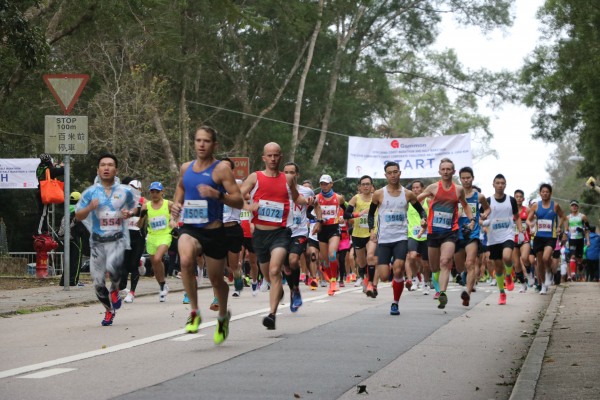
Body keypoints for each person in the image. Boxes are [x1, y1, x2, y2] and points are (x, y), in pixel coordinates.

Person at [171, 126, 242, 345]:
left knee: (216, 280)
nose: (201, 144)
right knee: (185, 260)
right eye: (198, 140)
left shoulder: (221, 170)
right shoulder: (186, 168)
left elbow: (239, 201)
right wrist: (176, 206)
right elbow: (180, 190)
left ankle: (222, 317)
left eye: (206, 141)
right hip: (190, 228)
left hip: (214, 232)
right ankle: (194, 312)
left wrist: (217, 195)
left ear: (214, 145)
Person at [239, 142, 302, 330]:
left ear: (280, 157)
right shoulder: (255, 177)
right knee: (268, 275)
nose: (273, 159)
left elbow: (297, 197)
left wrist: (309, 201)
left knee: (275, 271)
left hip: (280, 233)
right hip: (260, 235)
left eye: (276, 155)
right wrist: (248, 206)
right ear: (264, 158)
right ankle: (278, 290)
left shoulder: (288, 179)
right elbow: (237, 195)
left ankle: (272, 315)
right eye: (270, 155)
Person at [75, 153, 137, 326]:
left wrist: (129, 213)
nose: (106, 168)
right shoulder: (91, 193)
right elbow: (78, 216)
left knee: (114, 271)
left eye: (110, 165)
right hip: (97, 242)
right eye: (103, 165)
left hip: (117, 240)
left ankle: (115, 290)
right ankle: (109, 310)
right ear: (98, 170)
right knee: (97, 284)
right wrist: (89, 207)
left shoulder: (125, 191)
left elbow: (137, 206)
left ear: (116, 170)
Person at [367, 162, 427, 315]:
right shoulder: (379, 194)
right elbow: (371, 214)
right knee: (384, 276)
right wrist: (371, 230)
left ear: (400, 173)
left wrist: (423, 219)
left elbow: (421, 211)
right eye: (389, 173)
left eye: (395, 172)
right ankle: (395, 280)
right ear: (385, 175)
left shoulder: (408, 194)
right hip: (384, 239)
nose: (393, 175)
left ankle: (395, 303)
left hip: (401, 238)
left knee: (398, 269)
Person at [417, 158, 475, 309]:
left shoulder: (458, 190)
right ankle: (438, 287)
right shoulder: (433, 188)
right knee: (434, 267)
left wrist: (472, 220)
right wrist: (422, 217)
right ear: (439, 171)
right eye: (443, 169)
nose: (446, 172)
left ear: (453, 171)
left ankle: (442, 293)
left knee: (445, 261)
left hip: (450, 232)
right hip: (433, 232)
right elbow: (416, 201)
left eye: (449, 169)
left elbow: (465, 205)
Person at [282, 162, 319, 312]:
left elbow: (316, 205)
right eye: (286, 172)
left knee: (293, 260)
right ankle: (293, 290)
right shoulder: (278, 189)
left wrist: (319, 221)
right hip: (281, 232)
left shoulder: (306, 191)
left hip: (300, 232)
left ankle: (296, 288)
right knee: (286, 266)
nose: (289, 175)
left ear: (297, 174)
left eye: (292, 172)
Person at [453, 167, 490, 307]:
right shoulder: (455, 195)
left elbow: (487, 208)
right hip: (457, 233)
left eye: (468, 177)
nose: (466, 180)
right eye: (463, 178)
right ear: (460, 179)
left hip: (472, 233)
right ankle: (463, 275)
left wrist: (485, 214)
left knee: (470, 263)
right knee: (459, 266)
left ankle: (467, 293)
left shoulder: (479, 196)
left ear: (472, 178)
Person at [484, 174, 523, 305]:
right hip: (493, 238)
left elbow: (517, 217)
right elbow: (480, 218)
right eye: (498, 183)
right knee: (498, 267)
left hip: (508, 234)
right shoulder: (488, 201)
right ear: (493, 184)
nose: (500, 185)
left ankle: (509, 275)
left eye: (502, 183)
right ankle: (502, 293)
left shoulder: (511, 200)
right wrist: (483, 222)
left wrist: (520, 231)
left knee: (507, 257)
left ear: (505, 185)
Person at [527, 183, 567, 295]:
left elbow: (563, 217)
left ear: (550, 193)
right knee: (539, 262)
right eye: (543, 192)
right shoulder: (536, 206)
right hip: (538, 237)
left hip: (550, 236)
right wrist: (531, 224)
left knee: (546, 258)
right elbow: (529, 219)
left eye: (547, 192)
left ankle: (549, 271)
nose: (545, 193)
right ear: (540, 193)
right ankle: (543, 285)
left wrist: (559, 227)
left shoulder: (555, 205)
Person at [139, 181, 173, 302]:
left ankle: (163, 286)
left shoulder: (169, 204)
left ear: (162, 192)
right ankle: (162, 285)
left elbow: (178, 214)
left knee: (158, 258)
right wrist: (141, 216)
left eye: (157, 192)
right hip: (152, 237)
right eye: (152, 192)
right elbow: (139, 225)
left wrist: (173, 221)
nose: (154, 194)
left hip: (165, 235)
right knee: (154, 264)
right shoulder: (146, 206)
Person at [314, 174, 346, 296]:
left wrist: (343, 217)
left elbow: (347, 209)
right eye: (322, 184)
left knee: (332, 254)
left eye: (326, 184)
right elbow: (308, 213)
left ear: (331, 184)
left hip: (334, 229)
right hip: (322, 230)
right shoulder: (317, 198)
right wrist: (317, 220)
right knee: (325, 259)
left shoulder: (338, 198)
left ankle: (333, 282)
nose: (324, 186)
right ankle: (328, 274)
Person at [344, 175, 377, 290]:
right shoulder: (356, 198)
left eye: (368, 184)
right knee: (362, 262)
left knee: (370, 256)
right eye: (363, 184)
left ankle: (371, 283)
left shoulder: (376, 198)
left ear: (372, 186)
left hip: (372, 232)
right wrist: (359, 214)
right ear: (359, 187)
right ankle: (364, 277)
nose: (366, 186)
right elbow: (346, 215)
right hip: (358, 234)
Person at [119, 178, 146, 303]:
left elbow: (143, 209)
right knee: (124, 264)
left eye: (136, 189)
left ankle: (132, 292)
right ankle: (122, 287)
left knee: (133, 265)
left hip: (138, 236)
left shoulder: (143, 201)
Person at [58, 191, 88, 286]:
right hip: (75, 237)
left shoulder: (67, 209)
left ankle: (64, 281)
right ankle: (73, 281)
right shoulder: (78, 210)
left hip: (65, 238)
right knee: (76, 260)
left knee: (68, 260)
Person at [406, 180, 430, 295]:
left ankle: (426, 283)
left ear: (422, 189)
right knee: (412, 256)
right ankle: (415, 279)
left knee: (426, 263)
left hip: (426, 235)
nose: (415, 190)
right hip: (412, 234)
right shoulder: (408, 202)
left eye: (417, 187)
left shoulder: (428, 201)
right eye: (413, 188)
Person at [35, 153, 64, 235]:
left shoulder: (40, 167)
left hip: (40, 191)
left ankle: (44, 230)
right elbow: (61, 171)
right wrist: (62, 166)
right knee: (43, 213)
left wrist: (54, 166)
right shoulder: (50, 169)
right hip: (45, 193)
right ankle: (39, 232)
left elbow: (50, 169)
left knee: (44, 212)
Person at [563, 200, 590, 279]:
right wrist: (564, 238)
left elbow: (587, 229)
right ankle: (573, 274)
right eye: (572, 206)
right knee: (572, 256)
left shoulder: (583, 216)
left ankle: (580, 267)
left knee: (579, 259)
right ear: (570, 207)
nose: (574, 207)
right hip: (572, 239)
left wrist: (588, 240)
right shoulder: (568, 217)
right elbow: (566, 229)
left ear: (578, 207)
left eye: (575, 206)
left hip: (580, 239)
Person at [512, 189, 532, 293]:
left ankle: (529, 273)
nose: (518, 199)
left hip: (525, 238)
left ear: (523, 199)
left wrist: (532, 226)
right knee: (516, 264)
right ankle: (523, 284)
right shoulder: (510, 210)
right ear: (514, 198)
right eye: (517, 197)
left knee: (524, 257)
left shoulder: (527, 210)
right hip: (513, 239)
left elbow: (533, 220)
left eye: (520, 197)